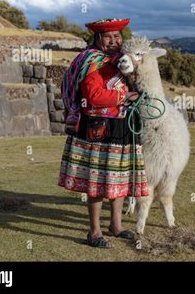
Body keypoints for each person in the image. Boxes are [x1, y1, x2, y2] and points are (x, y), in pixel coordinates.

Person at [58, 18, 149, 248]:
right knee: (97, 181)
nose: (113, 41)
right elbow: (93, 97)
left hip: (121, 126)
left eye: (117, 36)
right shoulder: (91, 61)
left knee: (117, 178)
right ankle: (94, 231)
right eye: (108, 37)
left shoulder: (122, 61)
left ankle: (116, 225)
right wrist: (125, 97)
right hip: (98, 127)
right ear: (98, 38)